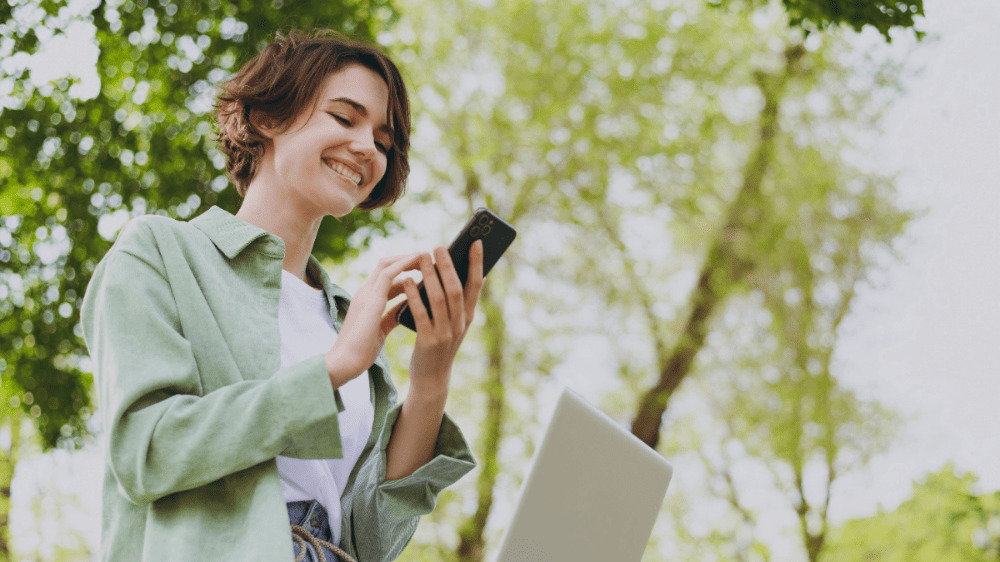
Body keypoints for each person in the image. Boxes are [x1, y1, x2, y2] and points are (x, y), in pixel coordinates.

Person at [81, 29, 482, 562]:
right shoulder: (159, 253)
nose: (367, 148)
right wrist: (335, 368)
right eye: (344, 118)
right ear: (267, 118)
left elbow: (370, 539)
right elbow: (147, 451)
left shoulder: (346, 318)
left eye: (383, 142)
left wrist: (431, 378)